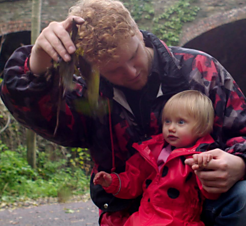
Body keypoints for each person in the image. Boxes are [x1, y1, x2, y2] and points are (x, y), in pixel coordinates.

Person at [0, 0, 246, 226]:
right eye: (114, 71)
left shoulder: (200, 70)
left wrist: (240, 165)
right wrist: (35, 66)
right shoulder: (89, 94)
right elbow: (46, 121)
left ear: (137, 31)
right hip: (133, 217)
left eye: (134, 55)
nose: (132, 72)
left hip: (204, 208)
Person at [93, 90, 219, 226]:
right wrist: (112, 182)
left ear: (201, 128)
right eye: (167, 121)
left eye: (180, 122)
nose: (171, 128)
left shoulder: (203, 156)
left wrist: (205, 166)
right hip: (143, 220)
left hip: (178, 222)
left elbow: (212, 193)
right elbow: (133, 179)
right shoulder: (152, 152)